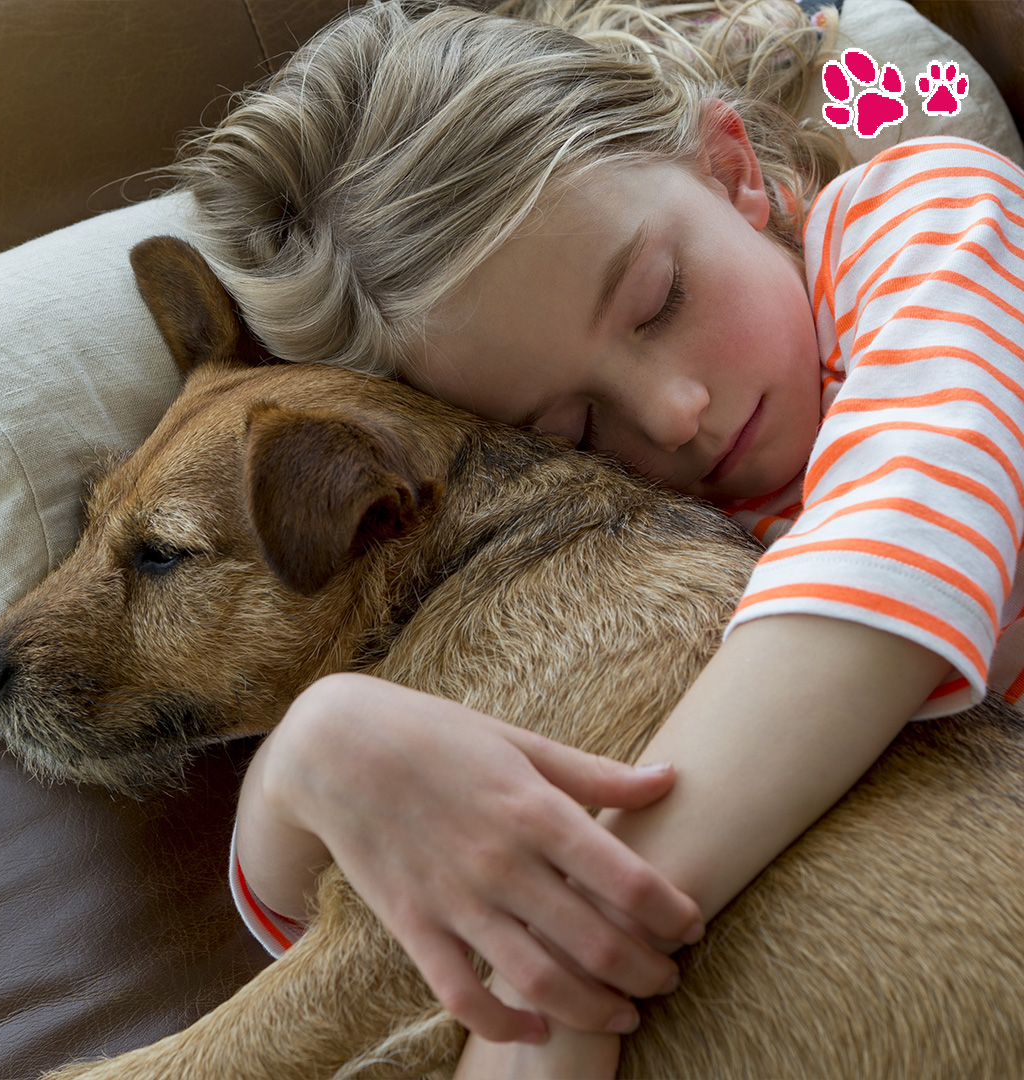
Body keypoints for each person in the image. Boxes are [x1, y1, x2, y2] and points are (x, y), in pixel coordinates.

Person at [172, 0, 1024, 1075]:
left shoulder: (930, 215)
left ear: (729, 170)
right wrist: (315, 753)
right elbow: (373, 922)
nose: (672, 413)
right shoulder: (627, 536)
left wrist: (578, 953)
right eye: (569, 426)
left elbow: (899, 548)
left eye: (659, 300)